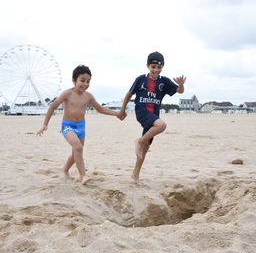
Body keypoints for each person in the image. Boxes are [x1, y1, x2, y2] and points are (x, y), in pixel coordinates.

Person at [37, 65, 126, 185]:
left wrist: (117, 114)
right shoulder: (67, 94)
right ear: (74, 80)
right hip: (67, 126)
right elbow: (52, 107)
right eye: (82, 81)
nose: (85, 84)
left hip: (81, 126)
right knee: (78, 148)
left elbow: (100, 109)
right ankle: (83, 176)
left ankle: (65, 170)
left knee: (76, 153)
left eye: (88, 81)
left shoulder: (88, 96)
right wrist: (45, 125)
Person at [119, 52, 186, 182]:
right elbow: (129, 94)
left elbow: (179, 91)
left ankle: (135, 174)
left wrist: (181, 84)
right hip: (141, 111)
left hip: (153, 116)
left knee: (145, 148)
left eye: (159, 67)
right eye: (153, 67)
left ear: (162, 67)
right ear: (148, 66)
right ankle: (139, 141)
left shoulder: (164, 81)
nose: (156, 70)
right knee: (162, 125)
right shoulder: (140, 79)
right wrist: (122, 110)